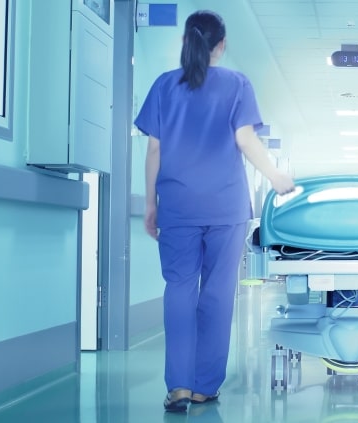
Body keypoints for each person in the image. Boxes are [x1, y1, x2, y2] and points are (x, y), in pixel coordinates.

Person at [134, 10, 294, 413]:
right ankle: (206, 385)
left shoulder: (163, 86)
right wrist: (276, 176)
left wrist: (150, 203)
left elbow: (154, 149)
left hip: (178, 206)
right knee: (219, 293)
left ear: (187, 41)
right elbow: (244, 139)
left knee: (179, 291)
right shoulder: (237, 84)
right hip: (225, 206)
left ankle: (179, 387)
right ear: (221, 45)